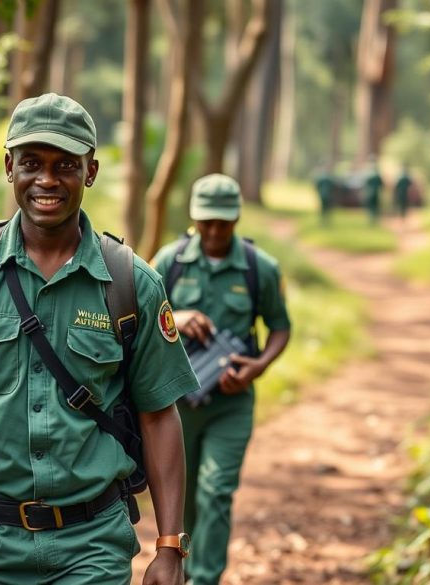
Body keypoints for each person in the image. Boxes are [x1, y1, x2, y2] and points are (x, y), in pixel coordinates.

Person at [0, 93, 198, 585]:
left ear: (90, 171)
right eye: (31, 163)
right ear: (9, 167)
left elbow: (159, 415)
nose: (47, 180)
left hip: (92, 544)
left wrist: (170, 545)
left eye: (65, 165)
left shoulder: (132, 283)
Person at [151, 174, 291, 585]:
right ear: (194, 218)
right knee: (183, 500)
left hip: (231, 404)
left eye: (223, 223)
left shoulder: (257, 267)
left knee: (216, 490)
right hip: (176, 405)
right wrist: (176, 317)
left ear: (237, 219)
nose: (214, 232)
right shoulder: (169, 262)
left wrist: (259, 365)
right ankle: (184, 569)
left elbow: (280, 327)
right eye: (206, 222)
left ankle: (205, 578)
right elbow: (138, 322)